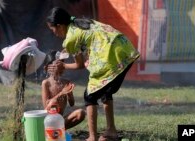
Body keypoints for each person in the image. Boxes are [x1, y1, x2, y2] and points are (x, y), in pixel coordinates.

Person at [46, 7, 140, 141]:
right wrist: (64, 62)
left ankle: (92, 137)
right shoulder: (82, 23)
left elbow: (78, 65)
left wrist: (63, 65)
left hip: (111, 56)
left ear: (59, 26)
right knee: (106, 91)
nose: (53, 33)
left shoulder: (71, 38)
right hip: (124, 49)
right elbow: (76, 54)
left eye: (52, 29)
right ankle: (111, 130)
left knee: (89, 95)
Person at [41, 50, 86, 129]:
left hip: (61, 120)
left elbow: (72, 103)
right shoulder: (46, 83)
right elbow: (46, 107)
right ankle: (54, 130)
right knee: (53, 102)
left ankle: (59, 130)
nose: (62, 67)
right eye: (59, 64)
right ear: (48, 68)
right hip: (49, 121)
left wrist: (69, 93)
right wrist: (61, 93)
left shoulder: (66, 82)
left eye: (63, 64)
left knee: (81, 113)